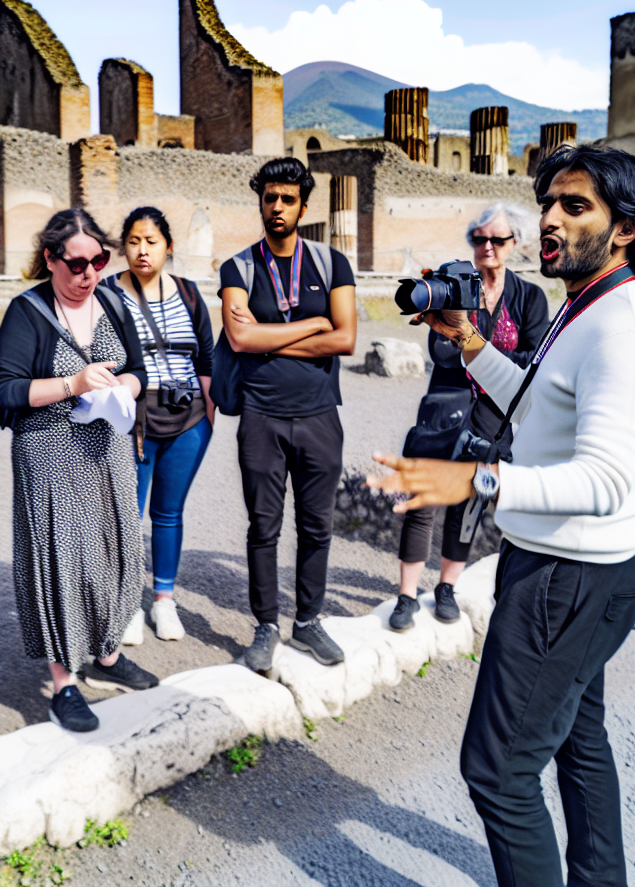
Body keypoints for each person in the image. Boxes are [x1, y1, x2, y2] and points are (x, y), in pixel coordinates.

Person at [368, 144, 635, 887]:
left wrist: (477, 479)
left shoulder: (627, 330)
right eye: (548, 203)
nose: (549, 219)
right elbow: (540, 410)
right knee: (577, 737)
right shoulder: (593, 304)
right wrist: (471, 343)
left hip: (565, 579)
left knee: (499, 772)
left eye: (575, 207)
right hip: (572, 570)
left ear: (626, 229)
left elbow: (603, 479)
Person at [0, 209, 158, 733]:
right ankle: (64, 683)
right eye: (76, 263)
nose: (87, 275)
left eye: (98, 262)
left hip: (107, 451)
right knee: (66, 566)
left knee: (114, 554)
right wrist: (73, 384)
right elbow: (4, 392)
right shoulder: (27, 311)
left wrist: (124, 390)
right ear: (50, 259)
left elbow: (138, 368)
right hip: (51, 457)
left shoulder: (110, 301)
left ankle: (106, 655)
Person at [220, 157, 357, 674]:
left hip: (320, 414)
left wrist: (272, 340)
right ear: (260, 200)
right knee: (263, 527)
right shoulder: (239, 268)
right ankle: (266, 626)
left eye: (287, 199)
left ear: (303, 205)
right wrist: (313, 325)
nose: (276, 208)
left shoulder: (330, 263)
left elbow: (344, 338)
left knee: (318, 526)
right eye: (269, 197)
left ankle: (309, 621)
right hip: (261, 416)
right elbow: (240, 338)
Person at [390, 204, 549, 631]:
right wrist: (492, 354)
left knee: (469, 500)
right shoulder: (453, 286)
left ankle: (446, 587)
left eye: (498, 240)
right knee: (420, 501)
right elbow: (441, 351)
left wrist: (473, 348)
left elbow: (533, 359)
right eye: (480, 239)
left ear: (515, 243)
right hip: (444, 409)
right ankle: (405, 595)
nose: (488, 247)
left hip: (492, 418)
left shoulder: (529, 297)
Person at [105, 207, 215, 643]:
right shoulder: (109, 294)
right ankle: (128, 601)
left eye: (151, 242)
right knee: (127, 515)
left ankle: (164, 600)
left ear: (169, 246)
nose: (142, 250)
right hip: (133, 420)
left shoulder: (188, 293)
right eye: (133, 241)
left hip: (188, 417)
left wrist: (209, 412)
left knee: (169, 513)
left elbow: (205, 355)